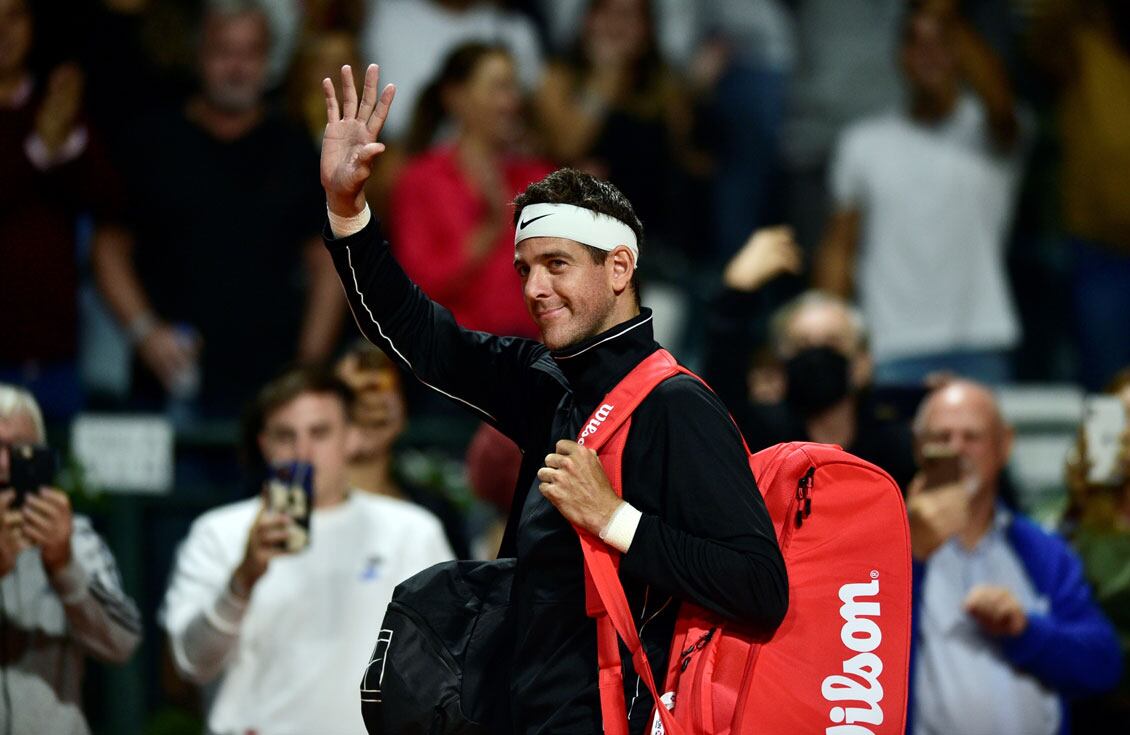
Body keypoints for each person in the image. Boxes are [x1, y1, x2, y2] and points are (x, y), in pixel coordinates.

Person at [318, 63, 787, 733]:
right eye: (525, 267)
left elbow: (759, 586)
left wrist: (613, 518)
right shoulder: (543, 379)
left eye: (557, 263)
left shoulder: (678, 404)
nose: (534, 287)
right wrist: (348, 211)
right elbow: (421, 337)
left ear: (619, 268)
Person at [159, 366, 453, 735]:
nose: (303, 452)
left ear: (351, 437)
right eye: (286, 436)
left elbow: (448, 664)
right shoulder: (218, 533)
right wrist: (242, 580)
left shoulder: (411, 530)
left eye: (320, 433)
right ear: (264, 444)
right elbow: (189, 664)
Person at [92, 0, 344, 422]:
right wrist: (144, 332)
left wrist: (307, 367)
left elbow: (327, 264)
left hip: (272, 388)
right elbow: (108, 247)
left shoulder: (296, 148)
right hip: (169, 381)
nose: (237, 66)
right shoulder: (152, 141)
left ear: (271, 60)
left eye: (251, 53)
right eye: (223, 51)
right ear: (198, 55)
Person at [814, 0, 1027, 386]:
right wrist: (829, 341)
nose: (929, 53)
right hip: (889, 346)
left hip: (978, 341)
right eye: (916, 42)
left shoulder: (991, 135)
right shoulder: (862, 143)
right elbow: (838, 249)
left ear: (962, 50)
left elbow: (1000, 100)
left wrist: (948, 16)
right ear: (899, 55)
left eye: (942, 41)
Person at [905, 379, 1122, 734]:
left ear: (1004, 445)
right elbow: (853, 659)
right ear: (917, 447)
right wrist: (911, 555)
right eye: (940, 439)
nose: (956, 449)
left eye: (971, 437)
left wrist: (1025, 630)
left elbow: (1102, 666)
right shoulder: (884, 549)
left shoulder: (1040, 549)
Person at [702, 226, 917, 489]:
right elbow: (719, 393)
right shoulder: (759, 441)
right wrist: (737, 292)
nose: (816, 354)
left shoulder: (895, 451)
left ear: (861, 365)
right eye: (802, 345)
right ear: (780, 367)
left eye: (832, 342)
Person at [0, 0, 128, 420]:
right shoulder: (46, 121)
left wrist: (65, 136)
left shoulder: (60, 106)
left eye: (16, 15)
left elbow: (113, 201)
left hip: (57, 354)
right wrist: (38, 150)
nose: (4, 29)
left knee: (58, 480)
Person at [0, 384, 142, 735]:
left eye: (18, 450)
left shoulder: (73, 536)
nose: (3, 465)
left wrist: (64, 568)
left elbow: (123, 642)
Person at [392, 42, 553, 338]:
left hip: (529, 359)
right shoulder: (421, 180)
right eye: (497, 88)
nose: (511, 101)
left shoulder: (541, 180)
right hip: (448, 356)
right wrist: (490, 228)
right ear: (456, 97)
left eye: (513, 88)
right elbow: (417, 285)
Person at [336, 341, 473, 558]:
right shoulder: (297, 509)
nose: (371, 403)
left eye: (384, 387)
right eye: (352, 394)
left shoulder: (434, 511)